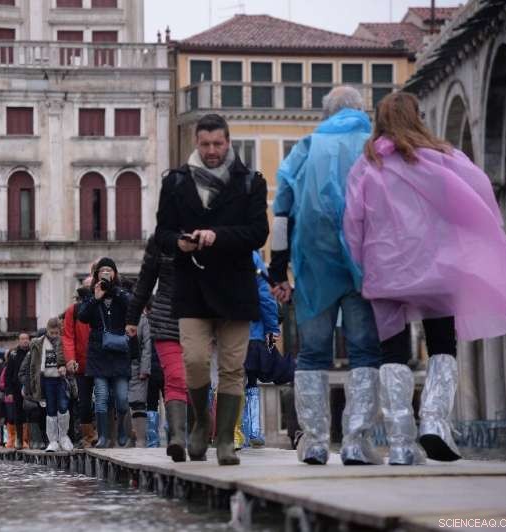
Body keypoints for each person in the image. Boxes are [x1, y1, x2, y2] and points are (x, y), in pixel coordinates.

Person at [343, 91, 506, 464]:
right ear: (417, 118)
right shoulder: (443, 159)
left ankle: (400, 442)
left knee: (393, 350)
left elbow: (353, 223)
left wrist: (361, 267)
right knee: (442, 343)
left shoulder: (366, 167)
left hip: (385, 272)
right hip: (437, 268)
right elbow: (478, 191)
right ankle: (434, 421)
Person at [270, 86, 385, 466]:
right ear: (360, 110)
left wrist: (277, 268)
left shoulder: (306, 147)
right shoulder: (374, 145)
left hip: (313, 266)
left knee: (313, 353)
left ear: (327, 113)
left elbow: (282, 212)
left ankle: (316, 442)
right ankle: (356, 442)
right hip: (364, 265)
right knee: (365, 351)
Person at [155, 113, 269, 466]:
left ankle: (224, 440)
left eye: (218, 144)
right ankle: (201, 422)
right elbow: (161, 233)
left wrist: (218, 237)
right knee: (195, 361)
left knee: (234, 367)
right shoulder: (175, 182)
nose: (212, 151)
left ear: (228, 142)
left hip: (236, 287)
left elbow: (258, 233)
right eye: (205, 144)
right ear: (196, 143)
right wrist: (180, 243)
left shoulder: (250, 181)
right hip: (192, 288)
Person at [126, 237, 188, 461]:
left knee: (197, 382)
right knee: (176, 380)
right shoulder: (160, 240)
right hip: (166, 325)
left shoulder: (206, 232)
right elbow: (144, 282)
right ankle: (177, 439)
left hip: (197, 319)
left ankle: (195, 435)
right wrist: (132, 318)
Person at [77, 258, 133, 448]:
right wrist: (96, 297)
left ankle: (121, 431)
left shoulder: (122, 292)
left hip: (119, 353)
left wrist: (114, 290)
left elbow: (133, 307)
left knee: (122, 399)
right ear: (97, 274)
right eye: (103, 270)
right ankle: (103, 437)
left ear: (115, 273)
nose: (106, 273)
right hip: (98, 354)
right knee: (100, 397)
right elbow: (82, 316)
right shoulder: (91, 294)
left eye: (110, 270)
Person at [239, 250, 282, 448]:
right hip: (252, 333)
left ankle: (232, 432)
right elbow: (266, 298)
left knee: (227, 379)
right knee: (251, 380)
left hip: (223, 332)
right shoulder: (253, 257)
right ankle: (253, 430)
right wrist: (273, 329)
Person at [22, 318, 72, 452]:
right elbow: (31, 366)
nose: (54, 335)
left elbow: (69, 359)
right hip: (46, 380)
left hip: (60, 379)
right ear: (47, 330)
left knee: (63, 406)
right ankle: (53, 440)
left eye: (57, 333)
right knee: (50, 409)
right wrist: (29, 387)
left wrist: (66, 367)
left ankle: (64, 437)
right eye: (52, 332)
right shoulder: (37, 344)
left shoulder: (63, 342)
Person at [63, 280, 95, 448]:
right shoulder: (73, 311)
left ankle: (106, 435)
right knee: (84, 402)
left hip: (102, 362)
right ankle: (89, 437)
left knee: (106, 399)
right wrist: (70, 359)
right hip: (81, 364)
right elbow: (68, 337)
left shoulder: (102, 306)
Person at [127, 310, 153, 447]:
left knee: (138, 403)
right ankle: (127, 438)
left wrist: (144, 369)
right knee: (121, 404)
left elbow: (146, 346)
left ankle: (141, 440)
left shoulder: (142, 319)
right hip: (119, 366)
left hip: (137, 367)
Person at [4, 333, 30, 449]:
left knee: (31, 413)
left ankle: (29, 439)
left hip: (30, 387)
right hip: (16, 388)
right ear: (19, 341)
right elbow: (8, 375)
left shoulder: (32, 352)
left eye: (27, 339)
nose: (25, 341)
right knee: (18, 414)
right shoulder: (13, 355)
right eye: (22, 339)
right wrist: (8, 392)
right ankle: (20, 439)